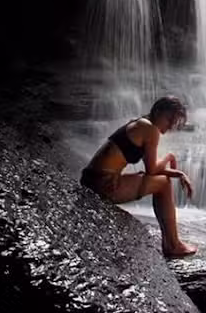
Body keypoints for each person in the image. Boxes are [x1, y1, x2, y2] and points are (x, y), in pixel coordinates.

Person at [81, 95, 198, 257]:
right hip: (104, 185)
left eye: (175, 122)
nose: (171, 125)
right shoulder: (150, 130)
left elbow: (152, 170)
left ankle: (171, 242)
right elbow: (152, 170)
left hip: (91, 179)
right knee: (163, 183)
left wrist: (178, 173)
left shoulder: (141, 123)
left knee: (158, 180)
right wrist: (170, 157)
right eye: (169, 119)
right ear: (157, 111)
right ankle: (172, 245)